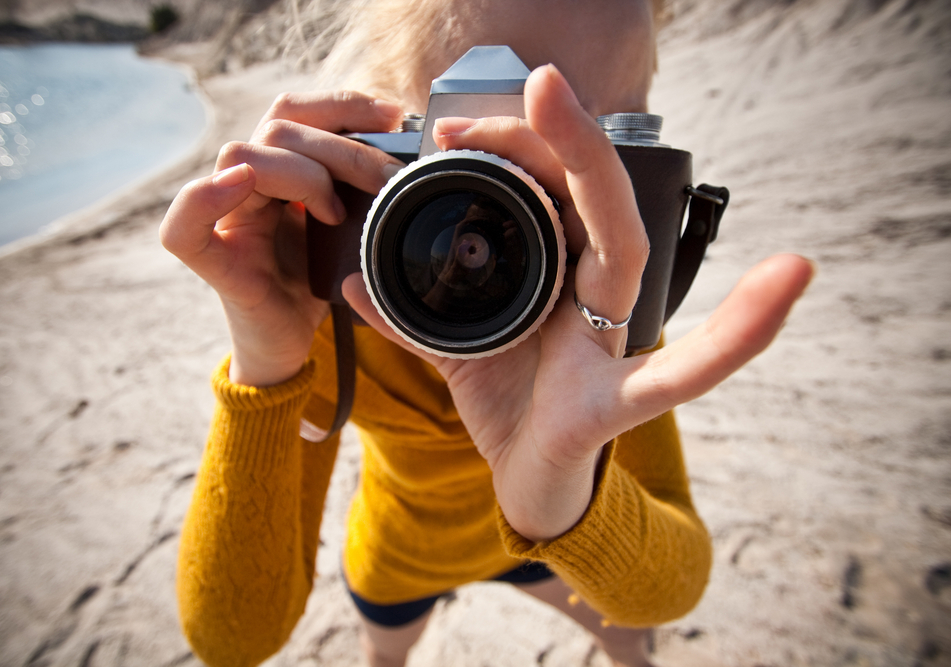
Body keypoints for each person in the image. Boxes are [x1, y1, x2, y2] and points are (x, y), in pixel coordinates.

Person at [160, 0, 814, 665]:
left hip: (547, 544)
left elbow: (668, 590)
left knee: (630, 639)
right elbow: (231, 639)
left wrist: (562, 498)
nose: (539, 183)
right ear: (383, 143)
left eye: (600, 139)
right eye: (486, 142)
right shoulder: (338, 309)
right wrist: (265, 354)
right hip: (401, 556)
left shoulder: (600, 324)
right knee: (384, 655)